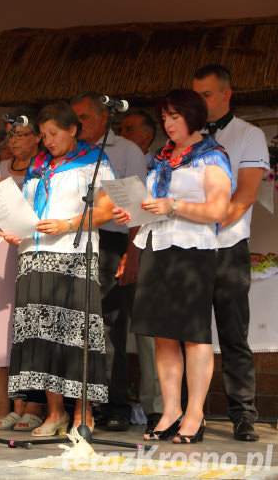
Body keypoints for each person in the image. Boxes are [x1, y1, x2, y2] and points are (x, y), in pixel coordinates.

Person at [116, 89, 233, 444]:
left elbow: (217, 210)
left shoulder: (211, 157)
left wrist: (173, 206)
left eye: (174, 117)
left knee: (194, 337)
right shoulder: (161, 159)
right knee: (163, 335)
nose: (168, 124)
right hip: (157, 248)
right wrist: (133, 212)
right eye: (164, 117)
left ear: (193, 117)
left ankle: (195, 414)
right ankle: (171, 410)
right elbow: (152, 206)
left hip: (192, 252)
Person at [0, 101, 115, 436]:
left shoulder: (93, 161)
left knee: (74, 336)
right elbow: (27, 211)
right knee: (43, 338)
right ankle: (54, 413)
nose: (48, 141)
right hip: (34, 255)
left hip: (73, 255)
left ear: (72, 130)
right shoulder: (38, 166)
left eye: (54, 133)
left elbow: (108, 209)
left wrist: (67, 224)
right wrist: (16, 231)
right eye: (44, 134)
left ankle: (83, 413)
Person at [193, 64, 269, 442]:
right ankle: (192, 415)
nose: (201, 102)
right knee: (191, 334)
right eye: (196, 95)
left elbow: (246, 194)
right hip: (188, 250)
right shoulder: (187, 138)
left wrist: (210, 224)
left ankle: (243, 415)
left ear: (226, 94)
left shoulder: (249, 135)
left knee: (233, 335)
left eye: (206, 94)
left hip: (227, 246)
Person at [71, 91, 147, 431]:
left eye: (84, 117)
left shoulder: (127, 151)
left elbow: (138, 210)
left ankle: (116, 404)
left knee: (111, 327)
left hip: (114, 242)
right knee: (81, 326)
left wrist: (132, 254)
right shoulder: (74, 151)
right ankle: (85, 404)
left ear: (104, 118)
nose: (78, 124)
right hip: (76, 241)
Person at [0, 108, 44, 431]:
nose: (14, 140)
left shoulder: (45, 169)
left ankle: (32, 402)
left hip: (29, 249)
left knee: (29, 325)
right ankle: (4, 401)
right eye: (10, 134)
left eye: (21, 134)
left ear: (38, 136)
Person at [117, 109, 164, 432]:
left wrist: (133, 254)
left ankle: (156, 406)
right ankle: (115, 401)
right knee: (119, 331)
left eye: (129, 129)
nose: (122, 134)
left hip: (152, 252)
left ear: (147, 137)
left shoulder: (159, 165)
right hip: (116, 249)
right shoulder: (117, 163)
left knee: (151, 333)